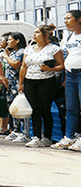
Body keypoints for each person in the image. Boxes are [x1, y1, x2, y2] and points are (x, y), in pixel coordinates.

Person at [18, 24, 64, 147]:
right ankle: (36, 136)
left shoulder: (53, 49)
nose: (34, 34)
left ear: (46, 35)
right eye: (34, 32)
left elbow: (62, 65)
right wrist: (21, 83)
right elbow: (23, 66)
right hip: (30, 80)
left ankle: (47, 137)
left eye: (37, 32)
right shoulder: (28, 49)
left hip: (46, 80)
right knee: (35, 109)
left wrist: (51, 68)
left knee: (45, 109)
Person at [54, 10, 81, 150]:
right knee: (71, 108)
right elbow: (68, 56)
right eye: (64, 18)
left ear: (79, 19)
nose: (65, 21)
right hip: (71, 75)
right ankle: (69, 137)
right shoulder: (69, 37)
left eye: (68, 18)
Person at [0, 32, 30, 143]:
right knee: (13, 108)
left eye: (10, 40)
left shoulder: (22, 52)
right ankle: (16, 130)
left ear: (17, 40)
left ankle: (24, 132)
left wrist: (6, 56)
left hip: (18, 83)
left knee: (22, 108)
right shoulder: (12, 53)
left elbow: (16, 65)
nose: (8, 42)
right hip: (10, 84)